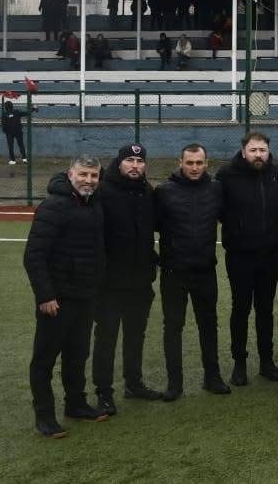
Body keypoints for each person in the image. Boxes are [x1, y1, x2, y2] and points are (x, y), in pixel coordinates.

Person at [25, 156, 107, 437]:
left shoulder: (94, 204)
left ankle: (76, 404)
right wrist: (45, 295)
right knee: (45, 359)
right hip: (57, 299)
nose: (88, 180)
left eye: (94, 176)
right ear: (70, 174)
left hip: (85, 296)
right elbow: (34, 255)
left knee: (77, 354)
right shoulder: (54, 206)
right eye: (83, 174)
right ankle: (44, 416)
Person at [91, 145, 163, 416]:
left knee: (135, 335)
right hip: (110, 283)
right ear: (119, 163)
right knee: (106, 338)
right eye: (129, 160)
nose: (135, 165)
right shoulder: (102, 191)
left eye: (139, 161)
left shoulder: (146, 191)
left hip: (141, 281)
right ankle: (104, 392)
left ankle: (134, 383)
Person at [155, 144, 230, 399]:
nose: (195, 167)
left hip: (205, 270)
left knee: (208, 324)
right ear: (180, 162)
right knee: (173, 327)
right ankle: (174, 383)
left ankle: (213, 377)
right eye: (190, 163)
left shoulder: (216, 189)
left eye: (199, 163)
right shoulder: (164, 191)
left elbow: (227, 216)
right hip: (174, 272)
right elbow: (151, 225)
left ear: (206, 164)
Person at [216, 132, 278, 386]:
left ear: (268, 151)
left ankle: (266, 362)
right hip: (239, 257)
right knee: (241, 309)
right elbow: (219, 211)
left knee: (265, 311)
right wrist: (239, 229)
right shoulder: (226, 175)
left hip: (269, 256)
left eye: (262, 150)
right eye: (253, 150)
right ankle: (240, 363)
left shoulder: (275, 173)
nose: (258, 154)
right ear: (244, 151)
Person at [1, 100, 27, 165]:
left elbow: (3, 124)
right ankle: (24, 159)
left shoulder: (4, 114)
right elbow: (26, 113)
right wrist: (33, 109)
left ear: (5, 107)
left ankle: (13, 160)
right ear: (12, 106)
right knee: (21, 145)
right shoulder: (16, 112)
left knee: (10, 146)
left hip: (9, 132)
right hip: (18, 131)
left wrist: (5, 131)